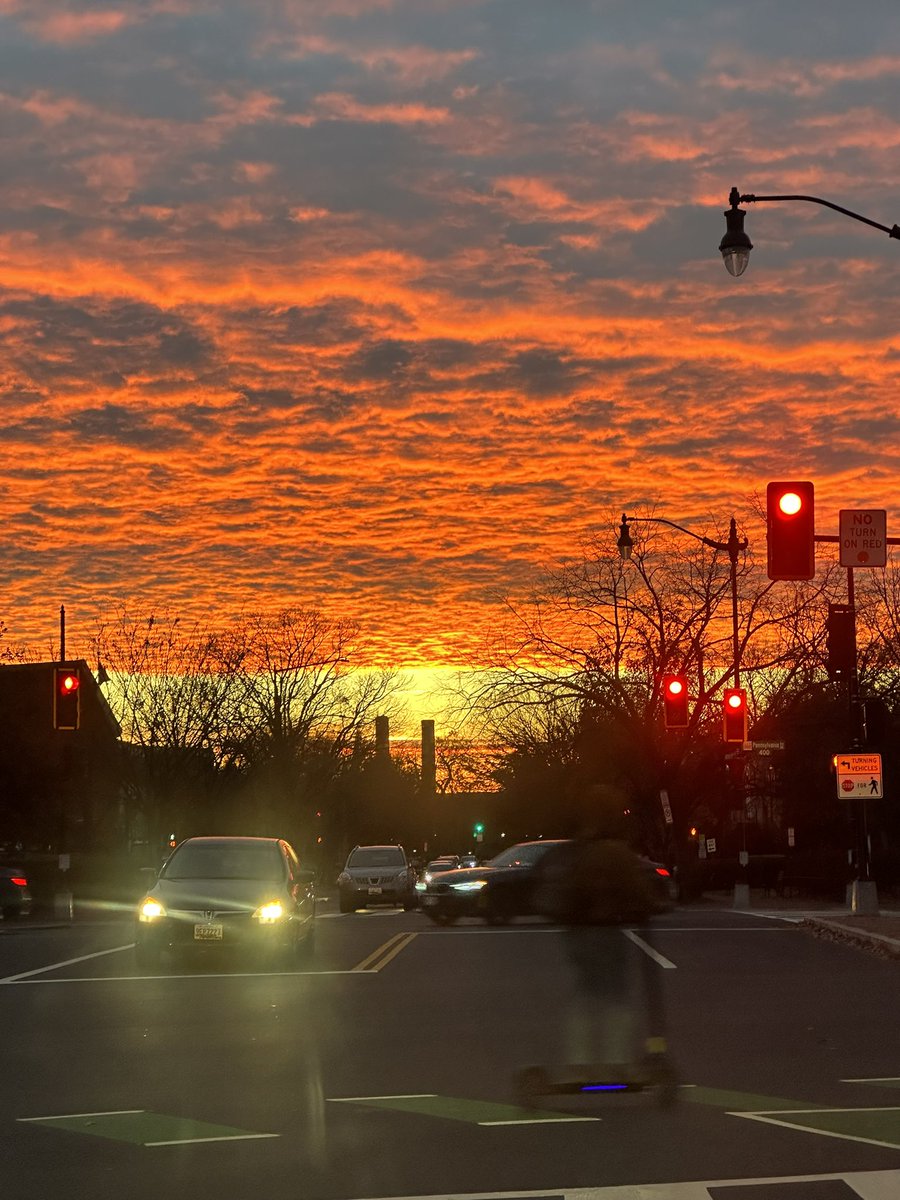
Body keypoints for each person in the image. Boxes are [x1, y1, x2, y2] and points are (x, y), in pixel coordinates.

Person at [532, 785, 664, 1079]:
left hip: (577, 932)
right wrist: (654, 904)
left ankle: (580, 1063)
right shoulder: (615, 853)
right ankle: (615, 1063)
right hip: (607, 930)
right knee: (615, 995)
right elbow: (639, 891)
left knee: (585, 992)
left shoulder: (575, 852)